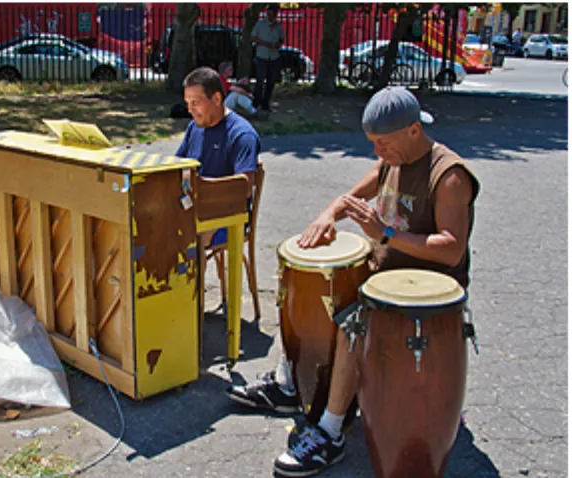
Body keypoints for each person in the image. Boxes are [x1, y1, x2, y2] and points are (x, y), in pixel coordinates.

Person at [227, 86, 480, 477]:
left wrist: (386, 234)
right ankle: (290, 381)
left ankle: (330, 431)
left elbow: (451, 249)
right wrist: (326, 216)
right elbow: (348, 200)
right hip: (382, 275)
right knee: (314, 284)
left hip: (423, 294)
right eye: (373, 143)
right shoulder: (391, 162)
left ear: (413, 130)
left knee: (351, 323)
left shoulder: (448, 176)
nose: (377, 153)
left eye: (383, 143)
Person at [175, 66, 260, 249]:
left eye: (195, 103)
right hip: (195, 207)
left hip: (229, 217)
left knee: (187, 239)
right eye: (187, 103)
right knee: (150, 225)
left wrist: (205, 187)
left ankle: (192, 276)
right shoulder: (194, 127)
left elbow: (244, 188)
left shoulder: (242, 134)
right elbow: (177, 165)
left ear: (216, 99)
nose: (190, 110)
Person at [252, 3, 285, 112]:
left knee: (271, 82)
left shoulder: (278, 26)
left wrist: (278, 45)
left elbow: (281, 39)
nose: (270, 16)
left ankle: (266, 103)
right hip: (262, 55)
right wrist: (265, 43)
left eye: (272, 14)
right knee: (259, 81)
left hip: (274, 56)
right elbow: (253, 37)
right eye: (268, 14)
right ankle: (256, 103)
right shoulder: (260, 24)